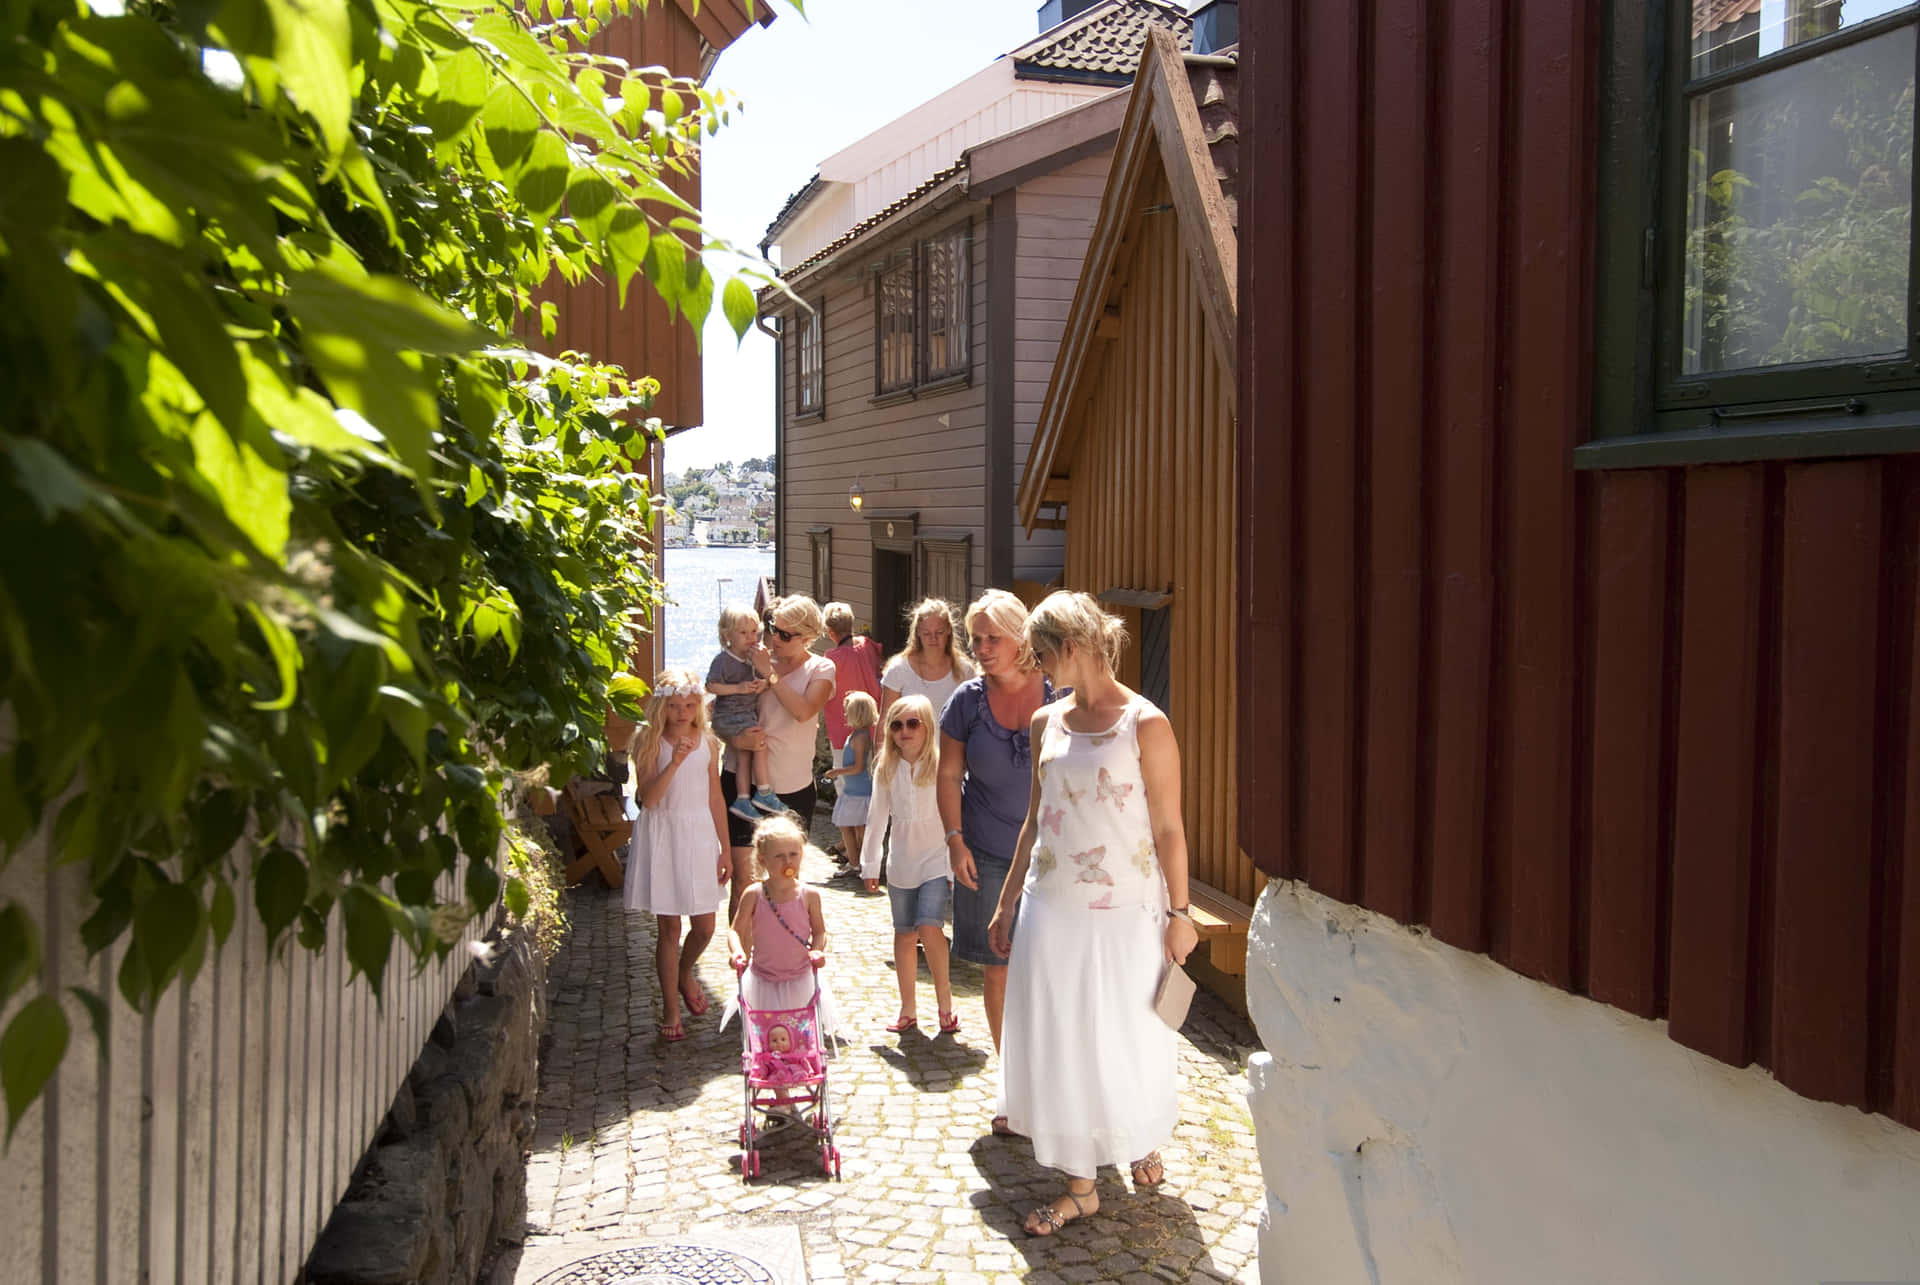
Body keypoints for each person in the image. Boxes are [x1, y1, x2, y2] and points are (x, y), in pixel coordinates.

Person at [987, 592, 1198, 1236]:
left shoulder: (1146, 723)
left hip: (1128, 912)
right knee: (1064, 1037)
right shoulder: (1043, 721)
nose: (1041, 668)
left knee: (1128, 1031)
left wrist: (1181, 912)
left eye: (1045, 655)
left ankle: (1135, 1135)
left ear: (1074, 648)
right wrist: (1005, 902)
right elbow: (1034, 821)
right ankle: (1081, 1185)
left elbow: (1167, 826)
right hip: (1051, 910)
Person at [938, 589, 1056, 1122]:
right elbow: (946, 774)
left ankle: (1058, 1079)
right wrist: (954, 838)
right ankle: (1014, 1088)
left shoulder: (1060, 692)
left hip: (1054, 855)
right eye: (976, 639)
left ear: (1021, 638)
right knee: (998, 967)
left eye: (993, 638)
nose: (982, 648)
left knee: (1055, 971)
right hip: (985, 848)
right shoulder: (966, 700)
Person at [624, 668, 732, 1043]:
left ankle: (686, 972)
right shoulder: (648, 741)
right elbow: (649, 799)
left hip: (699, 832)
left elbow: (715, 795)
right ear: (662, 707)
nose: (683, 712)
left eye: (689, 704)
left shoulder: (709, 741)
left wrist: (725, 848)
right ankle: (671, 1008)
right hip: (663, 834)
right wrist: (675, 762)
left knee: (705, 927)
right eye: (674, 706)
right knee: (670, 929)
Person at [723, 595, 836, 918]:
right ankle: (743, 960)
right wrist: (733, 736)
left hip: (791, 788)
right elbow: (718, 714)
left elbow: (803, 711)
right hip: (742, 782)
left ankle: (782, 957)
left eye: (786, 635)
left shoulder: (821, 667)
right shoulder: (749, 660)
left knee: (786, 880)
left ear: (808, 637)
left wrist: (770, 676)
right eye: (774, 628)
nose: (775, 638)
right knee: (743, 879)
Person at [860, 694, 957, 1036]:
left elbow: (956, 814)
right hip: (901, 861)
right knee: (904, 934)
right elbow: (876, 819)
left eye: (913, 723)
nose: (905, 731)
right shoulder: (886, 768)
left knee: (930, 926)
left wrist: (955, 858)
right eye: (897, 725)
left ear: (927, 727)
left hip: (935, 858)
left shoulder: (942, 765)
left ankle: (945, 1002)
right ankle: (908, 1008)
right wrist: (870, 864)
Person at [727, 814, 838, 1037]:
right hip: (764, 980)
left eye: (793, 854)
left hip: (800, 978)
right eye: (779, 856)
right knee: (770, 1037)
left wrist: (817, 949)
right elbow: (735, 931)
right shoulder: (754, 894)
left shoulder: (809, 895)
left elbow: (819, 931)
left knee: (800, 1036)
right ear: (762, 860)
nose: (788, 862)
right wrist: (738, 951)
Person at [706, 605, 782, 823]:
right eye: (743, 633)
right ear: (727, 635)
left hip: (746, 715)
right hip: (729, 716)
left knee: (744, 756)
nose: (750, 638)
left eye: (753, 632)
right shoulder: (723, 660)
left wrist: (762, 685)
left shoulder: (753, 658)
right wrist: (738, 689)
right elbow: (711, 686)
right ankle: (765, 791)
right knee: (759, 742)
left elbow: (767, 682)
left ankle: (742, 799)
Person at [880, 598, 974, 721]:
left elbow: (973, 720)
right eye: (926, 633)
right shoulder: (898, 670)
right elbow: (884, 724)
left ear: (948, 631)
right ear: (918, 632)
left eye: (939, 632)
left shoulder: (965, 671)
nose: (933, 638)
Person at [821, 602, 884, 753]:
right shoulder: (868, 645)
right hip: (873, 726)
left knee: (844, 772)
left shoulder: (830, 659)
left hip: (844, 730)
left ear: (830, 632)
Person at [826, 691, 877, 869]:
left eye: (848, 710)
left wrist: (837, 771)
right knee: (848, 827)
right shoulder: (855, 735)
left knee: (857, 829)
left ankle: (859, 864)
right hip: (853, 790)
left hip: (860, 791)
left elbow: (858, 767)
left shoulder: (861, 737)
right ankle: (855, 862)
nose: (845, 714)